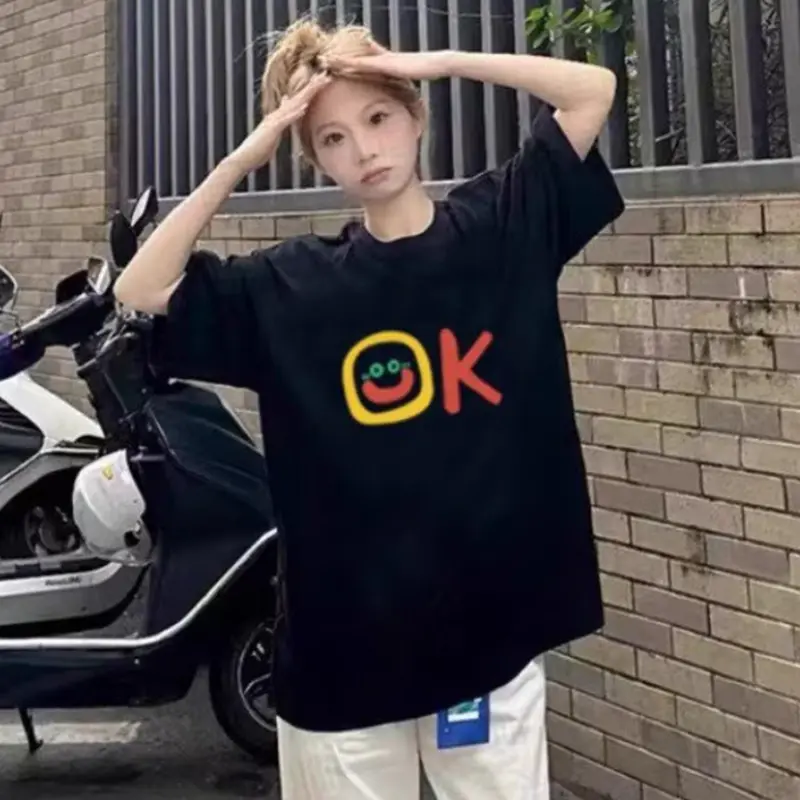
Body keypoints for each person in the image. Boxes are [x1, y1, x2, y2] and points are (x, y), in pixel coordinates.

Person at [114, 17, 623, 800]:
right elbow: (140, 287)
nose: (364, 149)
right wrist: (246, 155)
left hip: (486, 645)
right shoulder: (292, 287)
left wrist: (437, 60)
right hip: (342, 658)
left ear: (415, 116)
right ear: (316, 158)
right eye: (333, 138)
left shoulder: (500, 228)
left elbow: (593, 91)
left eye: (379, 117)